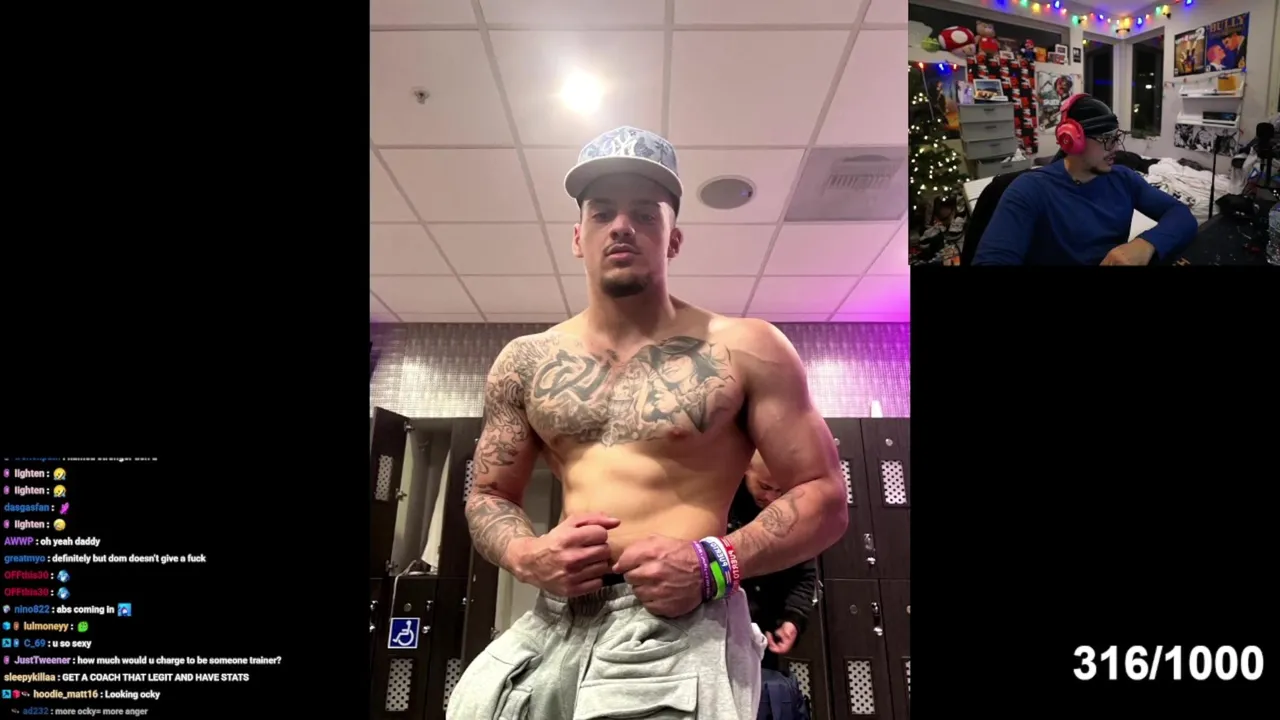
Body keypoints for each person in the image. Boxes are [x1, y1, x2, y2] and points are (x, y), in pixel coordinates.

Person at [447, 126, 848, 720]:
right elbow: (488, 495)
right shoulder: (524, 362)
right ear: (577, 237)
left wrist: (713, 564)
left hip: (678, 627)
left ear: (673, 238)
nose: (621, 226)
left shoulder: (745, 348)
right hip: (555, 623)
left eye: (644, 213)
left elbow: (825, 497)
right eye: (601, 212)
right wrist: (528, 555)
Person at [973, 94, 1197, 265]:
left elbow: (1181, 215)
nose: (1115, 148)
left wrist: (1146, 244)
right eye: (1106, 139)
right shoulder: (1030, 190)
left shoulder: (1124, 179)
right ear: (1071, 141)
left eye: (1117, 138)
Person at [731, 452, 817, 720]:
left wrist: (793, 619)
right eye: (765, 486)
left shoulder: (794, 510)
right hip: (716, 629)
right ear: (746, 469)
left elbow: (805, 575)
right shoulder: (722, 500)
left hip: (763, 637)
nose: (771, 498)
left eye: (780, 491)